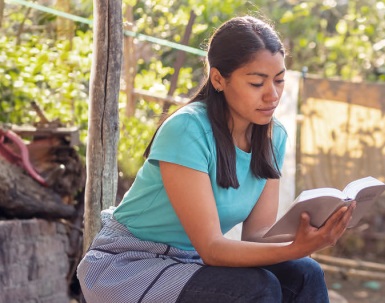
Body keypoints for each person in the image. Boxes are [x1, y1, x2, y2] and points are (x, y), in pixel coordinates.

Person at [76, 16, 354, 302]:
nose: (272, 95)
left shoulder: (273, 137)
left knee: (305, 272)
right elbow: (211, 247)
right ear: (219, 79)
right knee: (258, 287)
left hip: (193, 261)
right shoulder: (187, 129)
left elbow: (257, 235)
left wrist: (312, 233)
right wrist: (293, 248)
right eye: (257, 83)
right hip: (132, 264)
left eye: (279, 80)